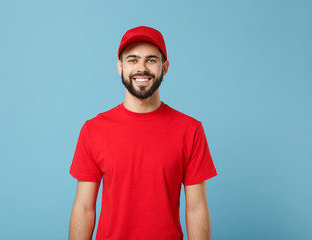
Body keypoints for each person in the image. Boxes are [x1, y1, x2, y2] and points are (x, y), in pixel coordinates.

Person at [69, 26, 217, 240]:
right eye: (132, 60)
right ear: (119, 67)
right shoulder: (94, 129)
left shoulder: (190, 130)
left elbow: (196, 209)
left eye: (151, 60)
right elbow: (84, 208)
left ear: (164, 68)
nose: (142, 68)